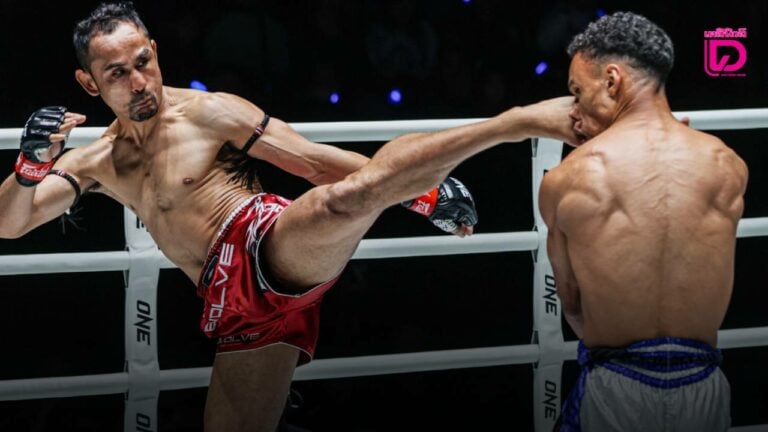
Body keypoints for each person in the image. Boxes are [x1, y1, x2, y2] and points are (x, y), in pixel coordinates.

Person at [0, 2, 577, 431]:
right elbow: (11, 222)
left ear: (154, 49)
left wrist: (419, 194)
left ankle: (506, 126)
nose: (138, 82)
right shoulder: (98, 160)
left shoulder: (210, 112)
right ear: (88, 82)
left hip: (264, 242)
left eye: (142, 62)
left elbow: (311, 161)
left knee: (339, 200)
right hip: (234, 309)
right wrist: (28, 167)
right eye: (116, 74)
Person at [538, 11, 749, 431]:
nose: (574, 110)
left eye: (577, 91)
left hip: (617, 385)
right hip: (704, 381)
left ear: (612, 80)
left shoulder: (568, 177)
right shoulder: (727, 164)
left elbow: (572, 303)